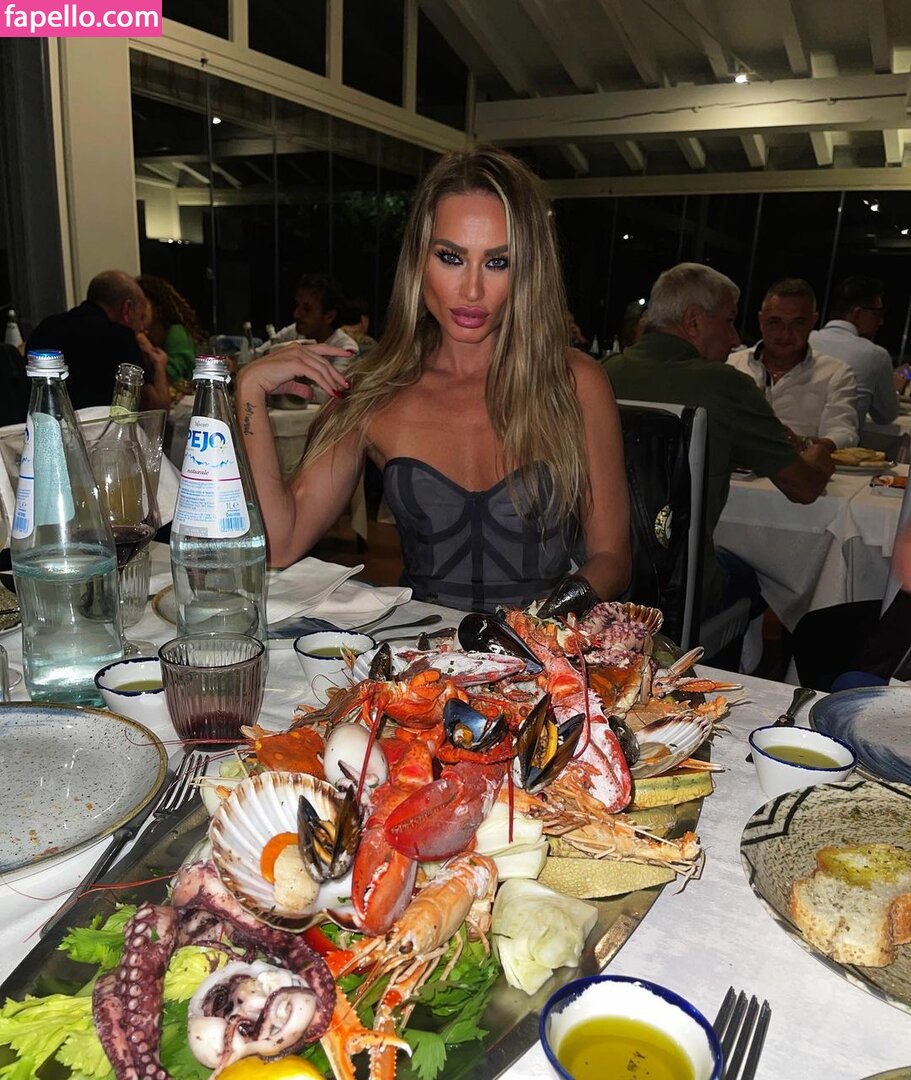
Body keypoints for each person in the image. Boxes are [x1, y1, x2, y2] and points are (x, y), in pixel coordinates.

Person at [236, 145, 631, 611]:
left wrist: (539, 625)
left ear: (528, 270)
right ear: (418, 261)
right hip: (423, 653)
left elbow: (612, 558)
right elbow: (280, 544)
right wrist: (249, 390)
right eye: (451, 257)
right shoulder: (374, 392)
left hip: (547, 648)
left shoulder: (575, 382)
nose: (472, 290)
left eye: (498, 262)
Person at [603, 262, 834, 615]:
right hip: (679, 593)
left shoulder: (601, 374)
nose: (734, 337)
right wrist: (818, 455)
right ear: (693, 322)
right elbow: (803, 487)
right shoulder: (726, 385)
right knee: (758, 578)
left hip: (604, 582)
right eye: (728, 321)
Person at [727, 278, 858, 451]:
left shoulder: (836, 373)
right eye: (775, 322)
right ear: (761, 320)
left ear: (813, 322)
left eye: (798, 323)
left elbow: (843, 433)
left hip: (800, 464)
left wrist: (803, 443)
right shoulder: (731, 365)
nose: (785, 334)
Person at [27, 270, 170, 412]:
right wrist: (159, 365)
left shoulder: (45, 328)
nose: (143, 328)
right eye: (141, 317)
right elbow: (155, 410)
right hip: (102, 426)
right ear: (127, 310)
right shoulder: (120, 337)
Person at [809, 276, 900, 427]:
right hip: (838, 440)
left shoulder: (806, 340)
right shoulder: (874, 354)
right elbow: (886, 416)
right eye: (878, 314)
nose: (881, 322)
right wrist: (893, 387)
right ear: (857, 313)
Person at [137, 274, 206, 384]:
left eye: (140, 303)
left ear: (157, 306)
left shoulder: (176, 332)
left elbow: (171, 377)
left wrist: (147, 346)